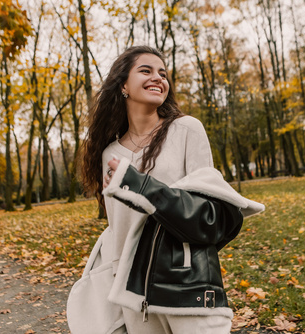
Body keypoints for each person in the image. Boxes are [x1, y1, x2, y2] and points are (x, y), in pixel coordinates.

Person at [67, 46, 264, 334]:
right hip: (132, 289)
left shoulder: (187, 130)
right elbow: (117, 227)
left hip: (184, 280)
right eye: (145, 70)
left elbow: (207, 213)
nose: (157, 77)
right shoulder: (110, 152)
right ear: (123, 84)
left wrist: (141, 188)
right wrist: (114, 279)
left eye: (163, 73)